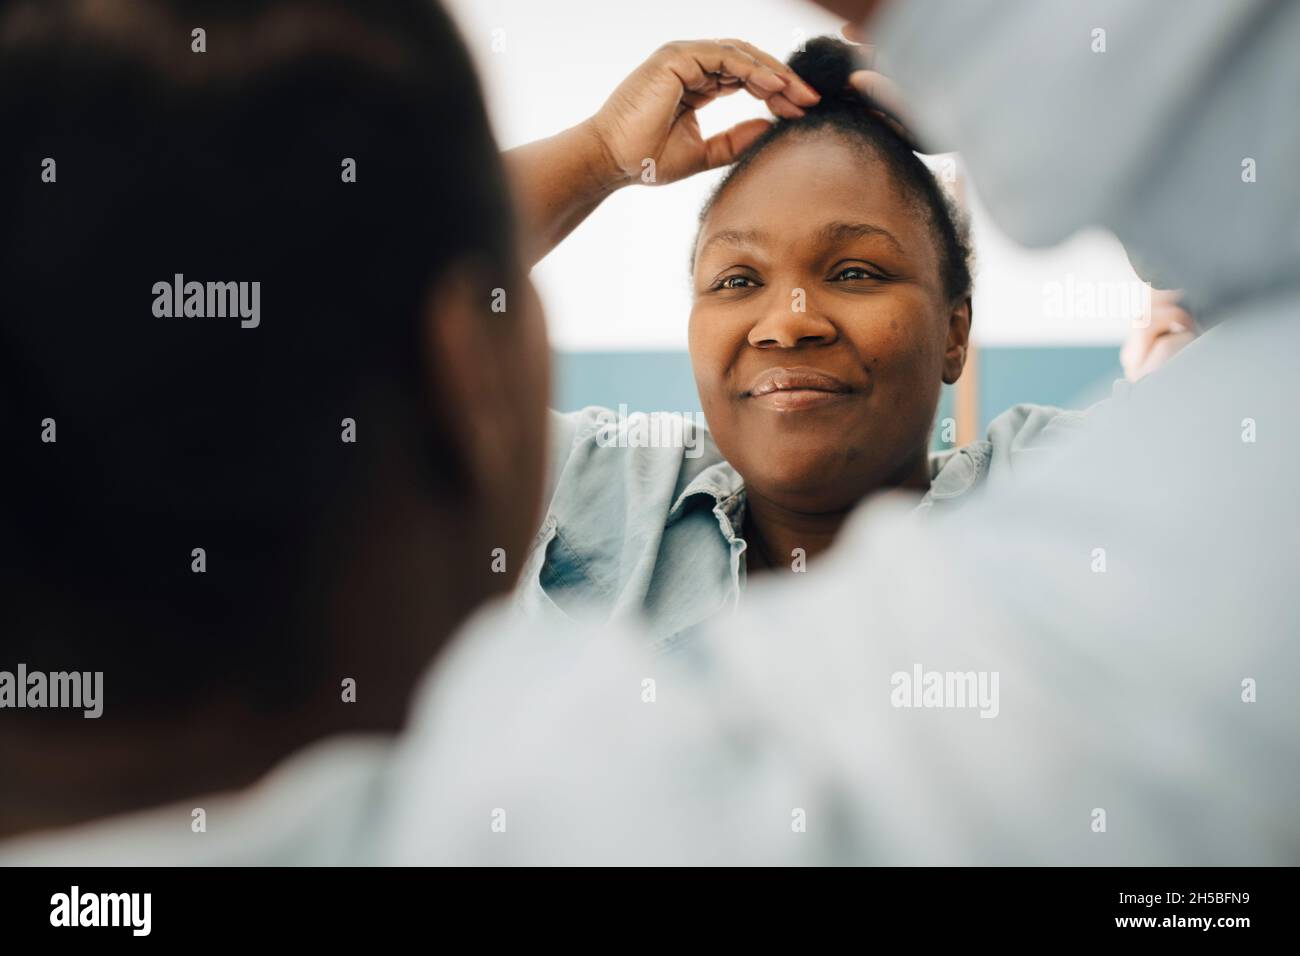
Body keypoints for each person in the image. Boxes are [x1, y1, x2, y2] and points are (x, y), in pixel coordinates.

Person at [508, 38, 1085, 646]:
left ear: (954, 333)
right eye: (738, 280)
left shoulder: (1051, 495)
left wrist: (1024, 108)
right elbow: (400, 311)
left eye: (854, 273)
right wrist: (601, 152)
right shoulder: (596, 492)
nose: (787, 324)